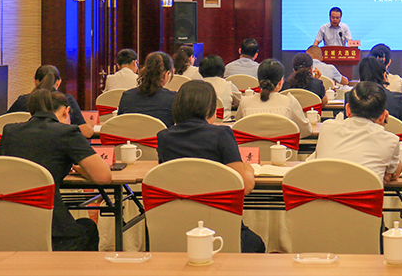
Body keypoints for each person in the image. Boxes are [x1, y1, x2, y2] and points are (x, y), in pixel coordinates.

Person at [156, 81, 265, 253]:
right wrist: (249, 169)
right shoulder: (221, 134)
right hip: (220, 225)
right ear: (211, 109)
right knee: (256, 244)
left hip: (177, 226)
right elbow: (244, 186)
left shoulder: (164, 138)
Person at [0, 89, 112, 251]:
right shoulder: (67, 132)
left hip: (10, 225)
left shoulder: (10, 131)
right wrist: (80, 169)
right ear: (66, 111)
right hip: (54, 230)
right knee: (88, 227)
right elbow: (104, 177)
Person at [308, 81, 402, 183]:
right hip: (365, 193)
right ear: (383, 116)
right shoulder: (390, 140)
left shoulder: (327, 127)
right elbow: (394, 173)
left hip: (326, 191)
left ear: (348, 110)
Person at [8, 65, 93, 138]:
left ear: (35, 82)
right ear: (58, 82)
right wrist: (90, 124)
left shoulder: (23, 100)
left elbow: (3, 121)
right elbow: (86, 133)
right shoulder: (65, 100)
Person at [346, 57, 402, 139]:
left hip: (357, 144)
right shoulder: (397, 99)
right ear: (384, 76)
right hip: (391, 145)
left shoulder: (351, 97)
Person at [235, 59, 312, 138]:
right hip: (282, 146)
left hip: (250, 146)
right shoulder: (289, 102)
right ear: (280, 82)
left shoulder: (245, 102)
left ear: (259, 81)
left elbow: (237, 128)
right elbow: (306, 130)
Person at [118, 51, 176, 127]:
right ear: (166, 74)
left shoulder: (127, 96)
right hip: (160, 135)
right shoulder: (173, 99)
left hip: (131, 134)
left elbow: (119, 125)